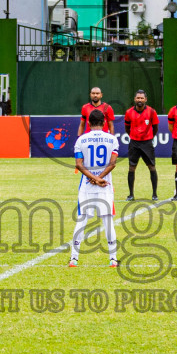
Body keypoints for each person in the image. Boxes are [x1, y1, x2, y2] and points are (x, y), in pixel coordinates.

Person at [69, 108, 119, 268]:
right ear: (104, 123)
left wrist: (93, 178)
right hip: (105, 186)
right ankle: (113, 259)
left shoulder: (81, 140)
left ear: (89, 123)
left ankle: (74, 259)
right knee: (108, 221)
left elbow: (79, 164)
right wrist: (100, 178)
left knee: (81, 221)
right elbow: (112, 163)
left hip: (86, 186)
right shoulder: (112, 140)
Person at [123, 89, 159, 201]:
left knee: (151, 167)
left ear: (145, 99)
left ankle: (154, 194)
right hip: (134, 143)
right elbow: (127, 128)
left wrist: (149, 137)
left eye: (142, 98)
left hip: (147, 143)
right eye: (138, 98)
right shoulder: (129, 112)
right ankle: (131, 194)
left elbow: (155, 128)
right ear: (135, 99)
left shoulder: (152, 112)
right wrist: (134, 136)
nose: (140, 100)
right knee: (132, 167)